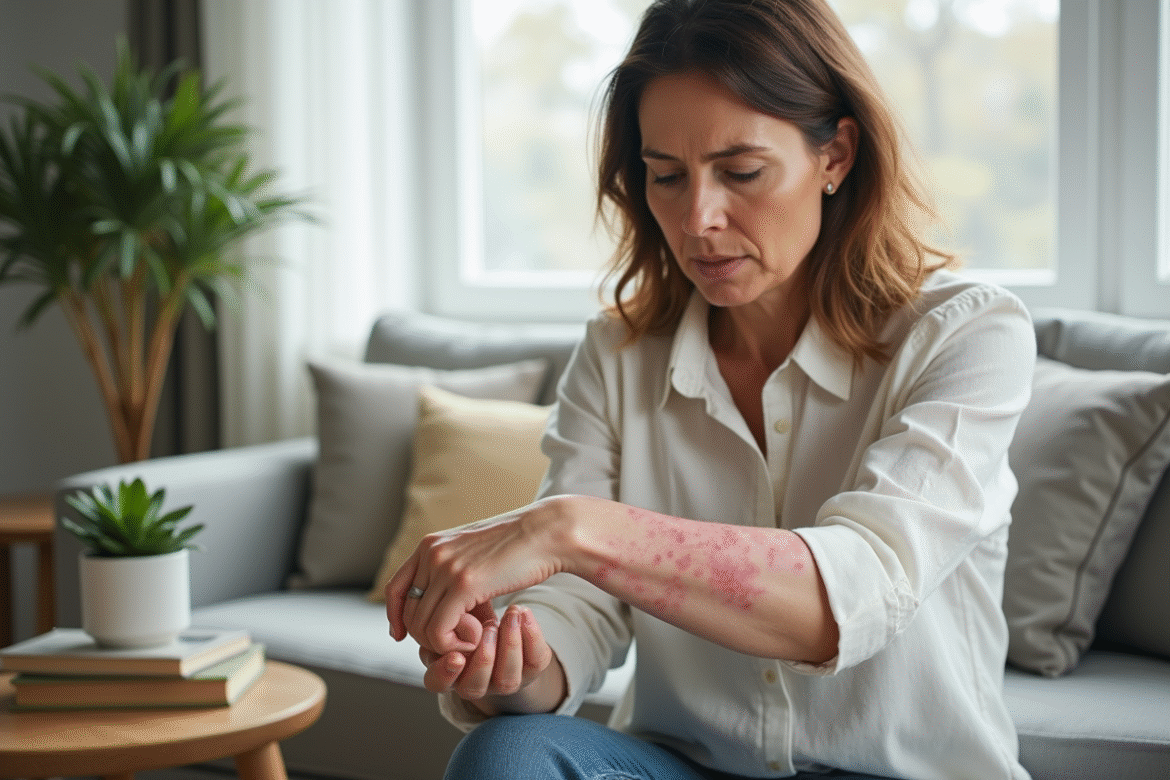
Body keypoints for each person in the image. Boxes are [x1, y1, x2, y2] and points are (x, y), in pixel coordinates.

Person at [386, 0, 1036, 777]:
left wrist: (568, 529)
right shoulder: (617, 352)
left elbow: (853, 594)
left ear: (835, 155)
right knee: (505, 752)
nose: (698, 218)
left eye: (742, 172)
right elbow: (583, 611)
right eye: (666, 176)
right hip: (687, 766)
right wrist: (512, 666)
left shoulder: (969, 333)